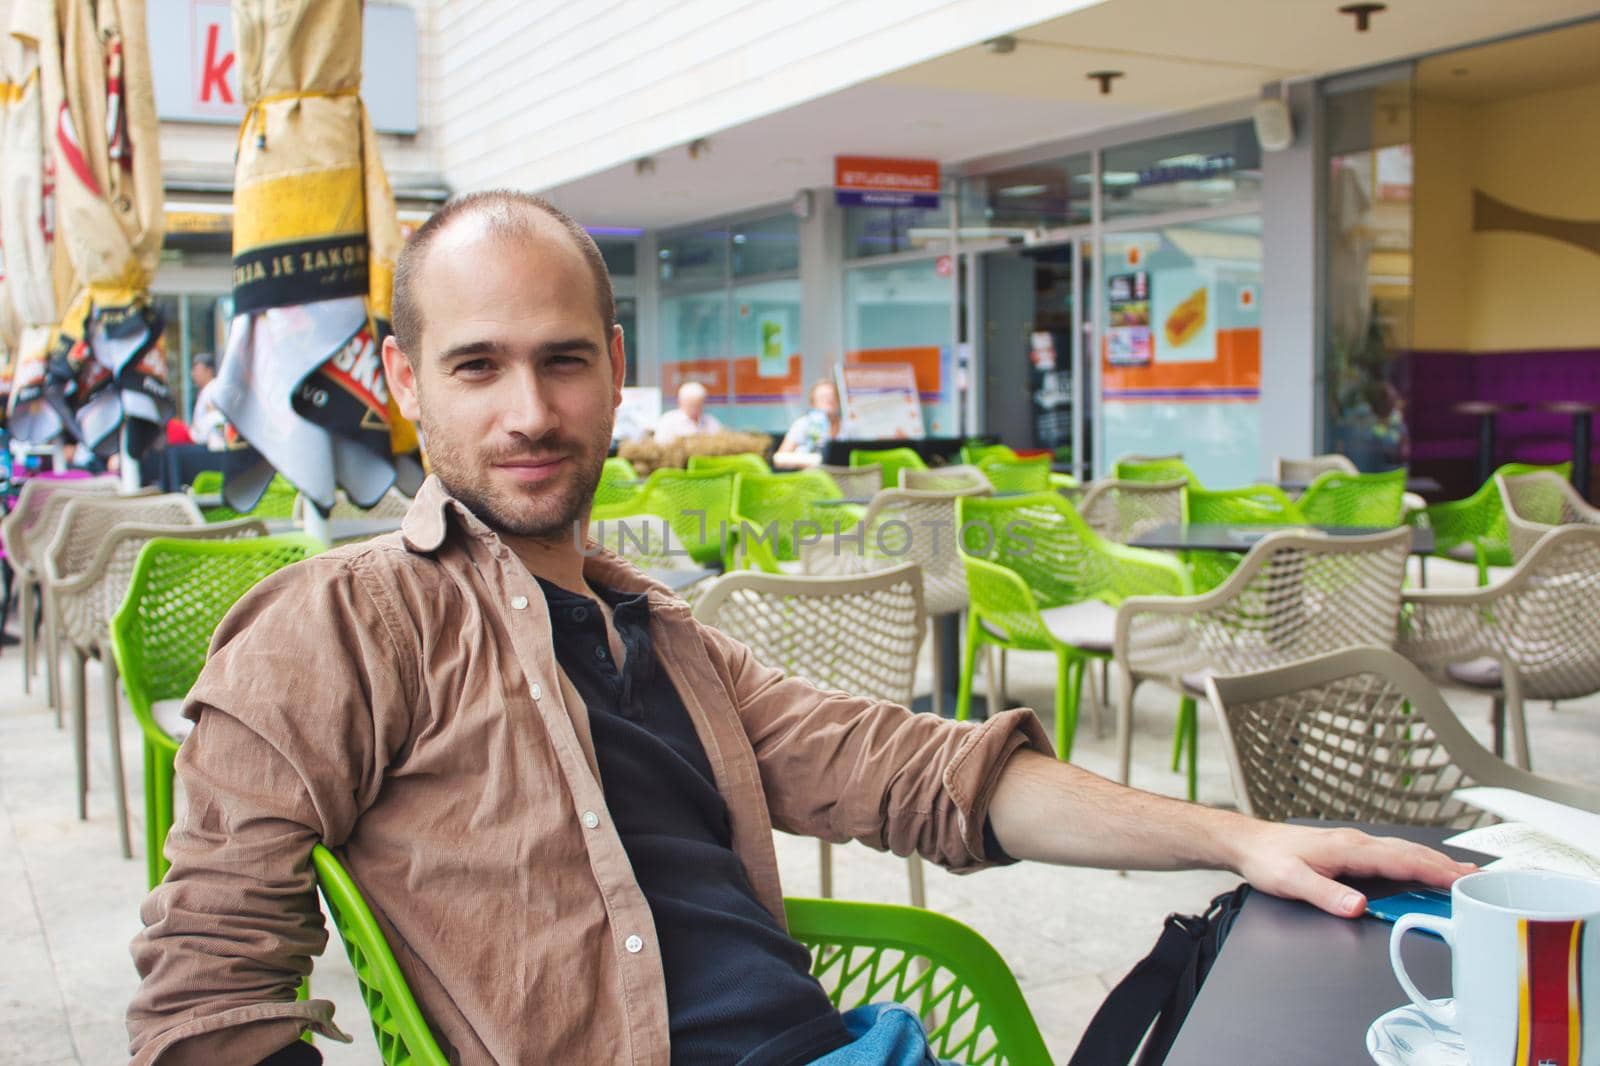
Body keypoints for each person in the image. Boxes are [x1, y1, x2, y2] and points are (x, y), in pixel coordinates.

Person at [126, 191, 1473, 1066]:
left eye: (564, 358)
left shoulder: (665, 635)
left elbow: (927, 774)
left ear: (614, 370)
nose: (528, 409)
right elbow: (204, 1004)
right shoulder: (343, 625)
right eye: (478, 365)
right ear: (412, 389)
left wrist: (1239, 833)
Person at [773, 378, 841, 469]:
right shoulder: (803, 424)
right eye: (823, 397)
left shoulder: (849, 426)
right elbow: (779, 459)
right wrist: (811, 460)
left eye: (832, 396)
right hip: (808, 479)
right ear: (813, 404)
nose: (829, 400)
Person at [653, 380, 723, 443]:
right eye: (691, 404)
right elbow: (661, 446)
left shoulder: (711, 422)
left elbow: (721, 441)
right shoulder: (668, 421)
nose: (694, 409)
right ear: (680, 402)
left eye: (698, 405)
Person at [188, 353, 228, 449]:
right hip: (201, 443)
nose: (194, 374)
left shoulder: (214, 389)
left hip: (212, 445)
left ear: (208, 371)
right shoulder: (205, 390)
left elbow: (218, 422)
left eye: (197, 370)